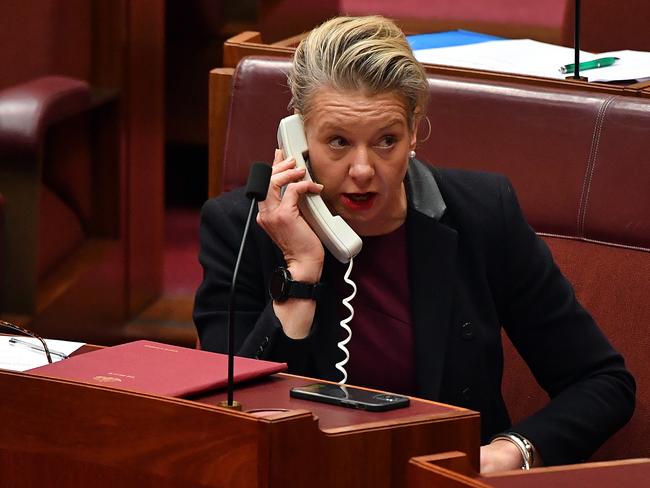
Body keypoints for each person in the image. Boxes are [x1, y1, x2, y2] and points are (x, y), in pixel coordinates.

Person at [194, 16, 635, 473]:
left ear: (414, 132)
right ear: (299, 140)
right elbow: (227, 421)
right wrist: (301, 273)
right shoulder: (240, 227)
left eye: (386, 141)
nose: (363, 169)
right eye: (338, 142)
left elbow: (603, 383)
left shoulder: (483, 214)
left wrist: (510, 452)